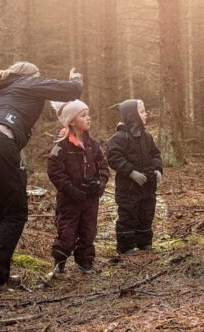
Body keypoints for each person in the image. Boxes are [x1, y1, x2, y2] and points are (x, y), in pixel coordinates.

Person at [0, 62, 83, 293]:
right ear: (32, 75)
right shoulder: (27, 81)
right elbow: (71, 91)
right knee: (15, 213)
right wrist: (76, 79)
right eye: (39, 77)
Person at [46, 100, 109, 275]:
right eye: (83, 115)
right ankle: (60, 262)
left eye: (88, 114)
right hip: (70, 200)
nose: (88, 118)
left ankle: (85, 262)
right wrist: (71, 190)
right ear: (72, 121)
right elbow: (55, 172)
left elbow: (103, 166)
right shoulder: (61, 146)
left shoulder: (93, 144)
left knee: (89, 231)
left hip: (90, 199)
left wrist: (100, 183)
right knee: (67, 232)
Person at [106, 99, 163, 255]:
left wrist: (158, 170)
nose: (146, 114)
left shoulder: (147, 137)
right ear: (132, 115)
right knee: (128, 215)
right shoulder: (119, 138)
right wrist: (131, 172)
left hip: (148, 186)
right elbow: (113, 157)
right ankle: (126, 247)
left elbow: (155, 155)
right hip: (128, 189)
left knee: (146, 214)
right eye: (142, 111)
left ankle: (144, 243)